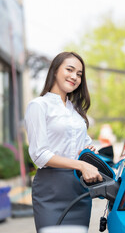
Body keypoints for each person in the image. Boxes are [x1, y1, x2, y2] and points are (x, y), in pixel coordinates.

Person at [25, 51, 102, 232]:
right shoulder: (38, 106)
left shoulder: (76, 111)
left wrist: (89, 150)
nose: (74, 77)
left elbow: (83, 143)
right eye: (70, 70)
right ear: (54, 71)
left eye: (79, 74)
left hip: (80, 189)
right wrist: (81, 165)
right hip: (50, 190)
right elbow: (39, 154)